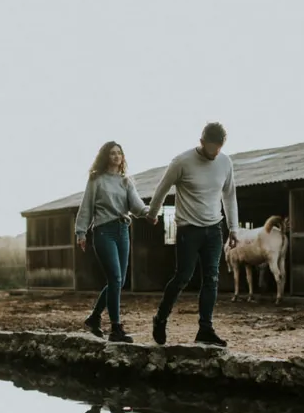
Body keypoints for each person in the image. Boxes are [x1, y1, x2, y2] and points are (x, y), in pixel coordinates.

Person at [146, 122, 239, 347]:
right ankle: (160, 319)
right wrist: (153, 212)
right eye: (211, 149)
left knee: (212, 279)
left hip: (214, 229)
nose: (214, 153)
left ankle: (205, 329)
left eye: (218, 149)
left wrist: (234, 227)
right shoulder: (182, 162)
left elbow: (229, 195)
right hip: (189, 229)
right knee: (183, 277)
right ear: (201, 142)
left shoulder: (225, 162)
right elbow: (162, 187)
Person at [75, 141, 150, 343]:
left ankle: (94, 317)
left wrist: (148, 212)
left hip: (123, 230)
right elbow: (86, 207)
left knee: (118, 281)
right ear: (105, 157)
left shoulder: (126, 181)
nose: (116, 156)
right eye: (112, 153)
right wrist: (81, 232)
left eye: (119, 153)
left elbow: (136, 205)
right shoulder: (96, 180)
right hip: (103, 232)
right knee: (116, 278)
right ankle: (116, 329)